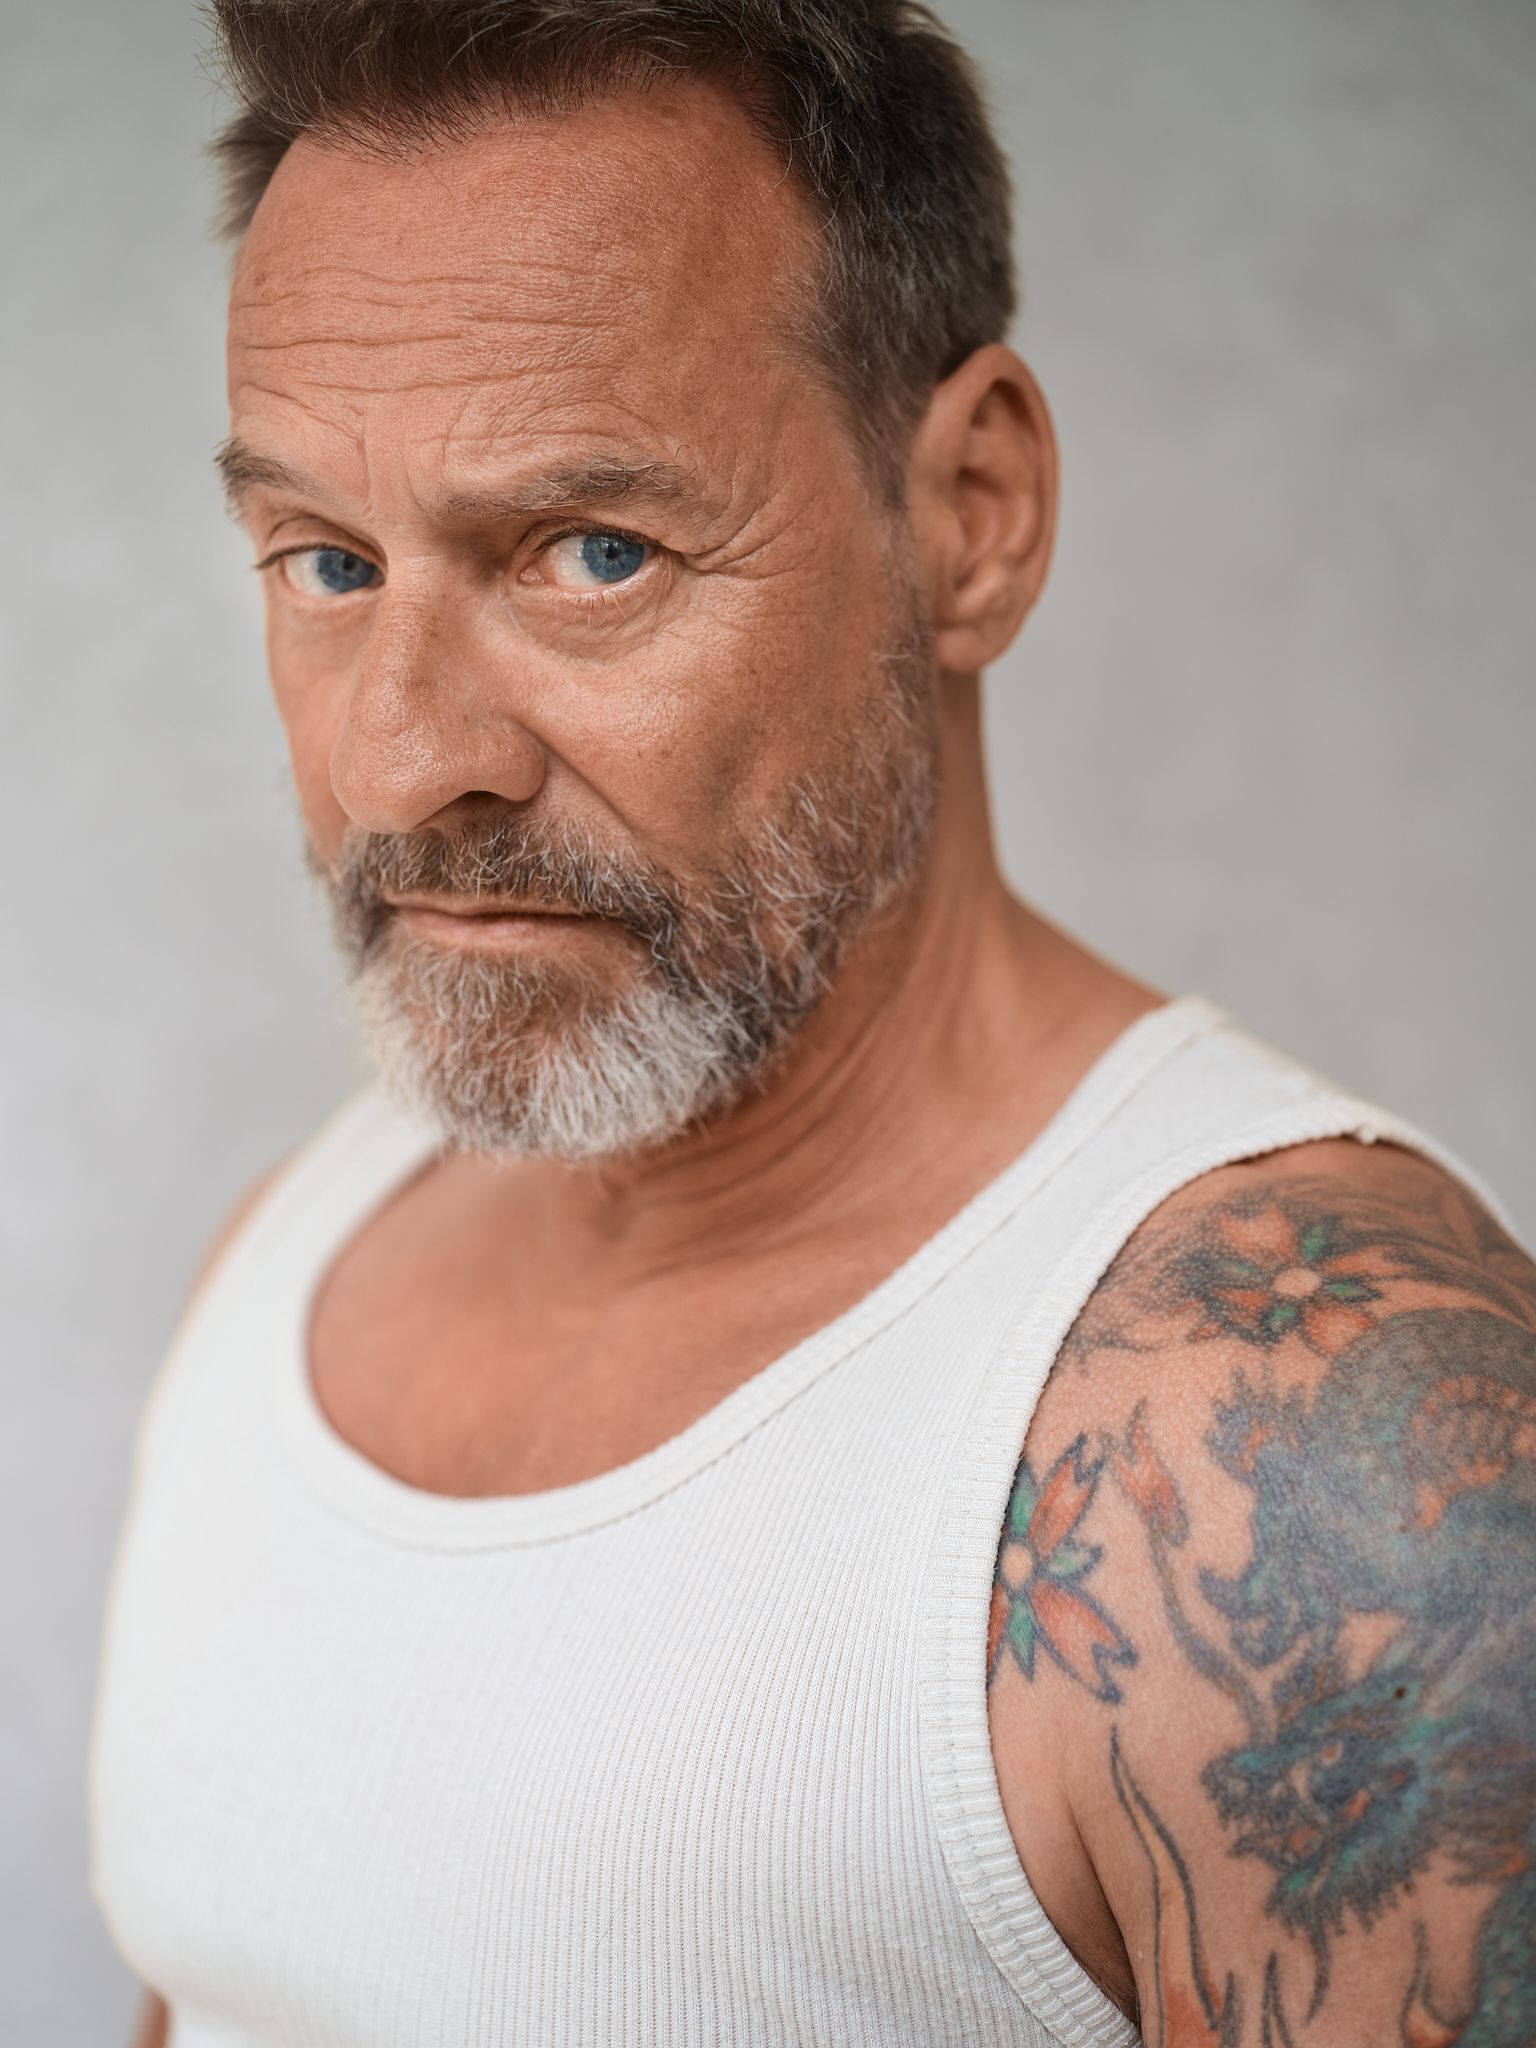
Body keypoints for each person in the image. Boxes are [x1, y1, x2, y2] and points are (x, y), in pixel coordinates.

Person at [88, 4, 1535, 2044]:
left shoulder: (1312, 1459)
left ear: (971, 513)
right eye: (327, 560)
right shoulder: (292, 1257)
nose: (402, 761)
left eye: (593, 553)